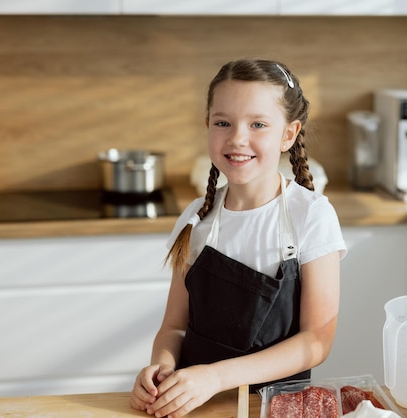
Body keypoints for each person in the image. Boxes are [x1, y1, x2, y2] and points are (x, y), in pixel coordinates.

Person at [129, 58, 347, 418]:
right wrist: (161, 369)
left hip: (275, 408)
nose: (237, 138)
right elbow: (173, 326)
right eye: (223, 123)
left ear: (288, 135)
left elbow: (316, 341)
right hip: (195, 406)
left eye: (258, 124)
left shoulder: (311, 216)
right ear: (208, 126)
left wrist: (215, 378)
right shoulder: (196, 218)